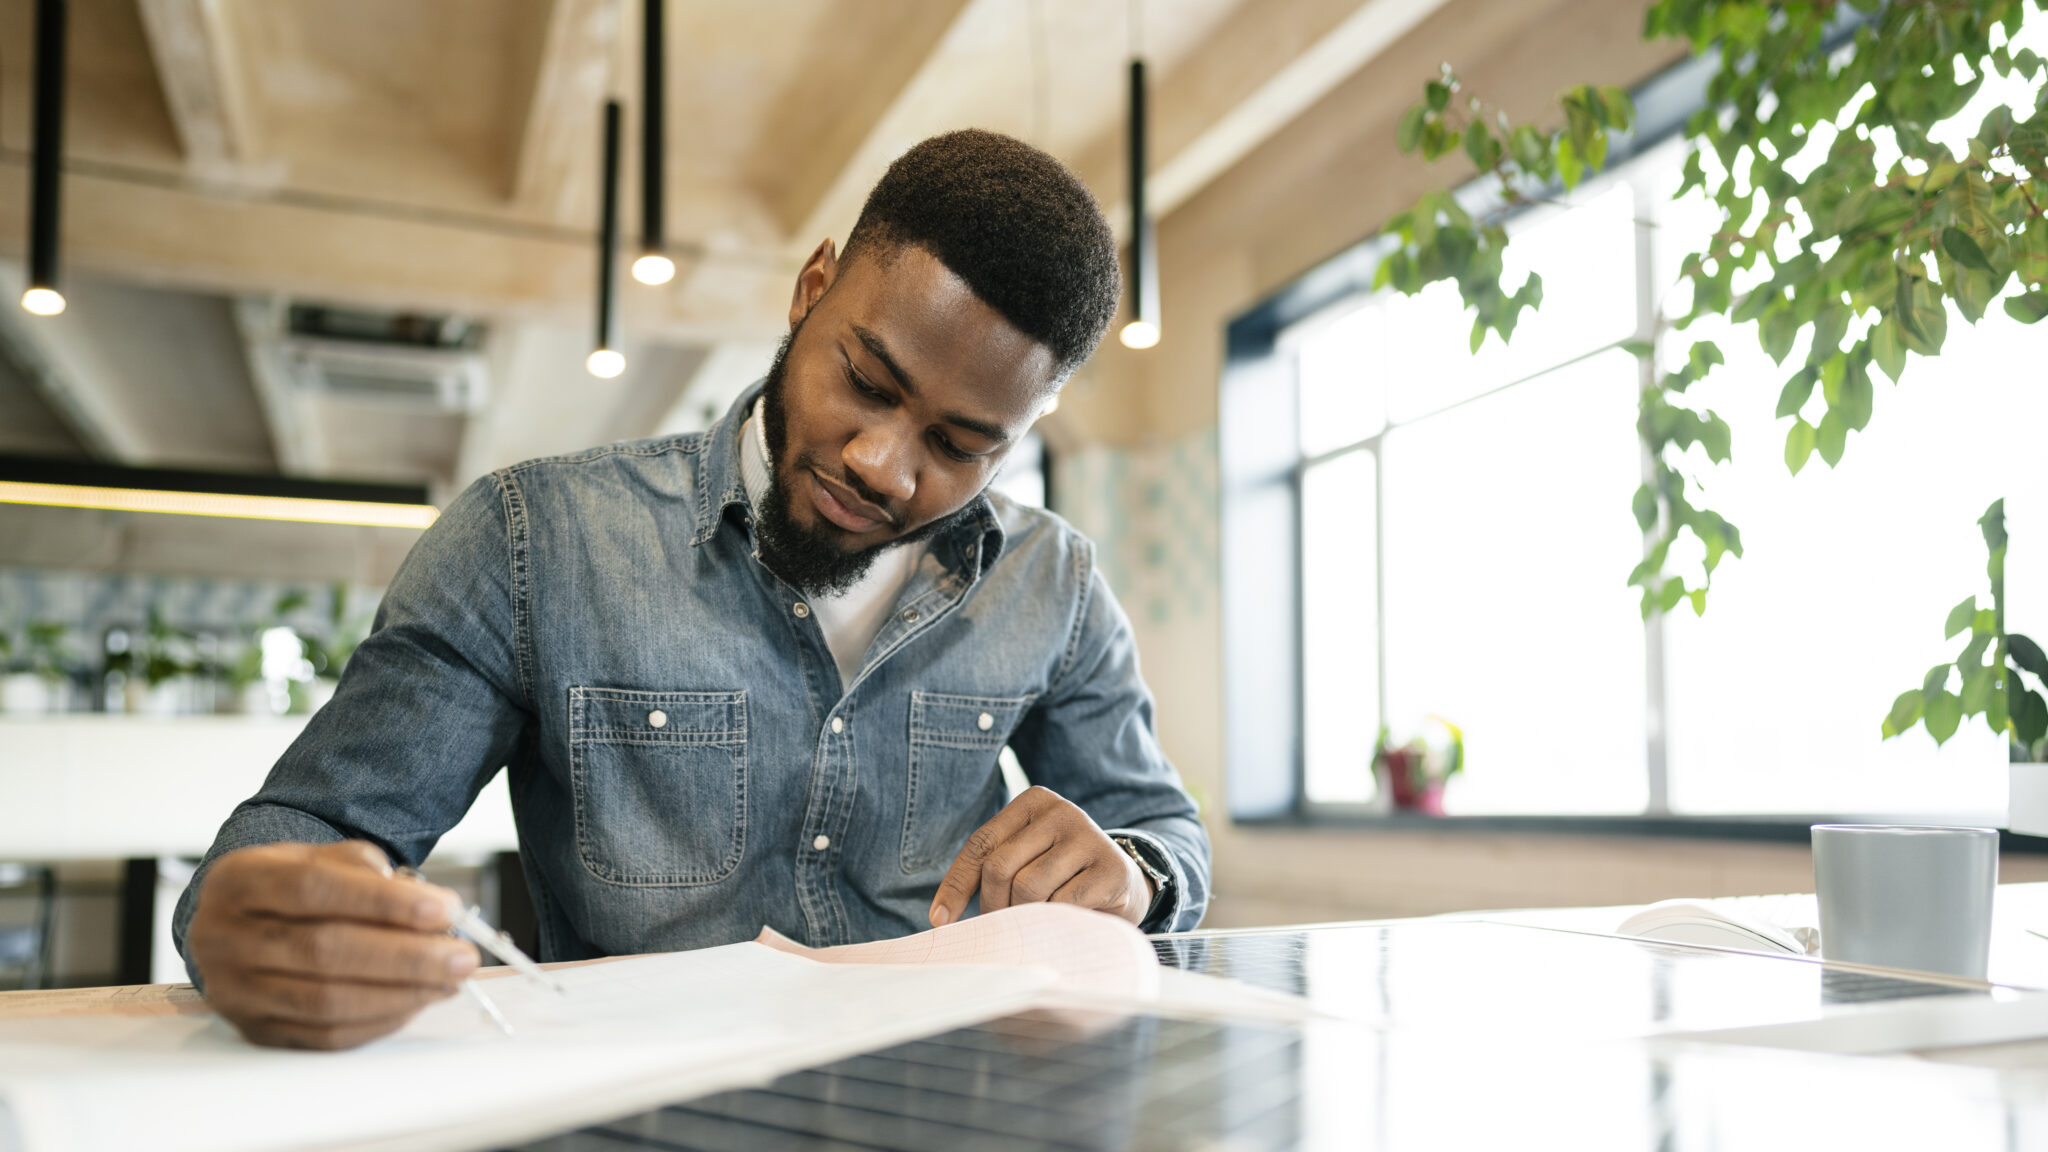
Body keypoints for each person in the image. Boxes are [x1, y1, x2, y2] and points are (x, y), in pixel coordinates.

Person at [175, 129, 1211, 1050]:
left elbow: (1164, 833)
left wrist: (1131, 868)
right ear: (812, 287)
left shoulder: (1054, 582)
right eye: (866, 382)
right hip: (637, 1110)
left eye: (957, 445)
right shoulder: (532, 544)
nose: (883, 466)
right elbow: (305, 835)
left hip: (948, 1104)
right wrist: (246, 919)